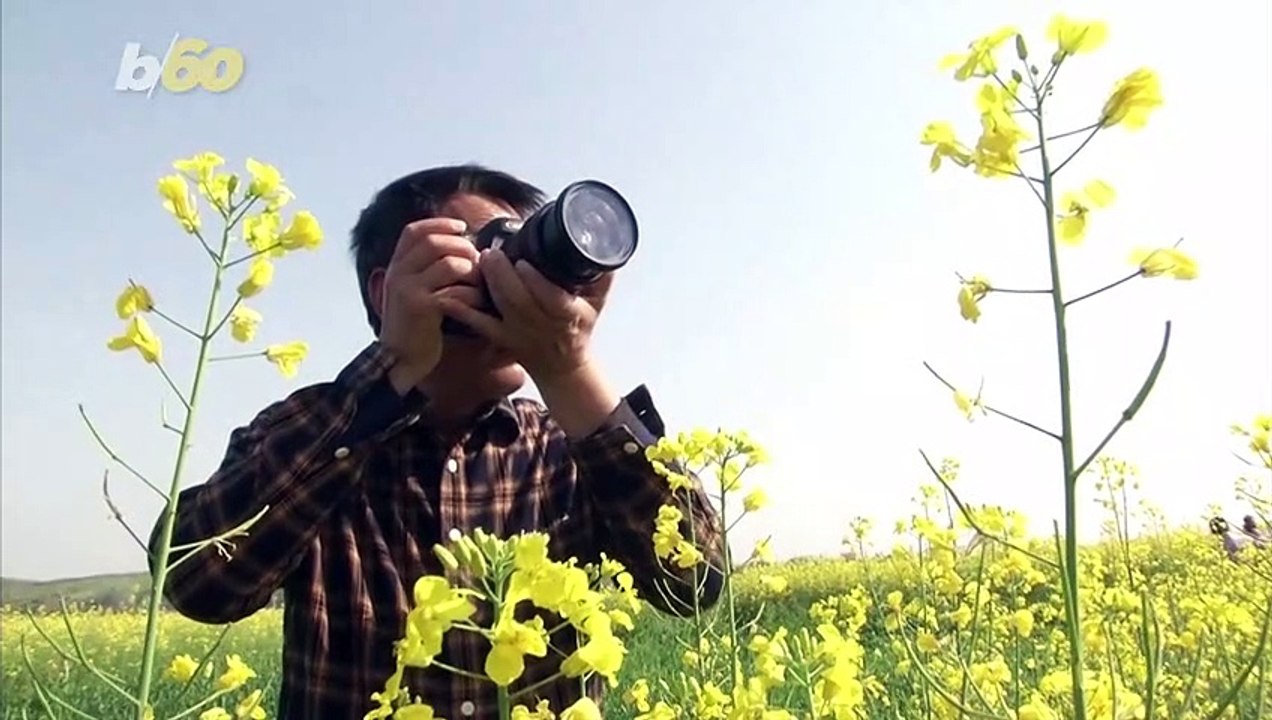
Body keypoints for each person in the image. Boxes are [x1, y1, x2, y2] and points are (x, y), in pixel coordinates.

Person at [148, 165, 725, 719]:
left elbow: (693, 582)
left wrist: (571, 370)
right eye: (486, 259)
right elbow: (197, 582)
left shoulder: (565, 449)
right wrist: (391, 367)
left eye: (523, 257)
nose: (514, 285)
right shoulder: (313, 432)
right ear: (388, 289)